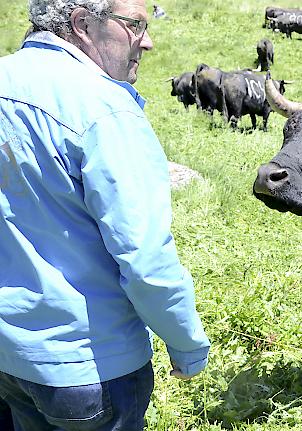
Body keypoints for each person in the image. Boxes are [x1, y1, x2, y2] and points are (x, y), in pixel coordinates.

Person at [0, 0, 211, 429]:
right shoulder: (104, 110)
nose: (147, 43)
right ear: (82, 24)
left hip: (9, 356)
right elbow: (145, 258)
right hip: (88, 368)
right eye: (134, 26)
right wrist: (186, 344)